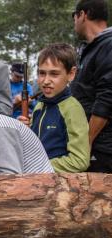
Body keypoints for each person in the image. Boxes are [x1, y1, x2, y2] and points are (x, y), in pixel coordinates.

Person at [18, 43, 90, 173]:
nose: (46, 81)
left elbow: (80, 160)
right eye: (42, 73)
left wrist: (38, 166)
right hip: (36, 181)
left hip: (58, 187)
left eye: (54, 74)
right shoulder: (39, 106)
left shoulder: (72, 109)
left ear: (71, 74)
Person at [71, 0, 112, 173]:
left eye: (74, 16)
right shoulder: (92, 48)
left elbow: (107, 98)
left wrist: (87, 141)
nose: (73, 21)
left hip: (103, 148)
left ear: (83, 15)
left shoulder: (108, 45)